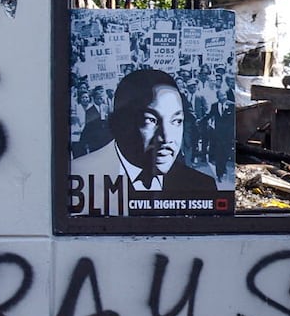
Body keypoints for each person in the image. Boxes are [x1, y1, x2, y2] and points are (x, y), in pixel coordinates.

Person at [69, 67, 216, 215]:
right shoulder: (79, 177)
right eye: (151, 120)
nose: (166, 137)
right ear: (123, 123)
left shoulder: (202, 186)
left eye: (176, 121)